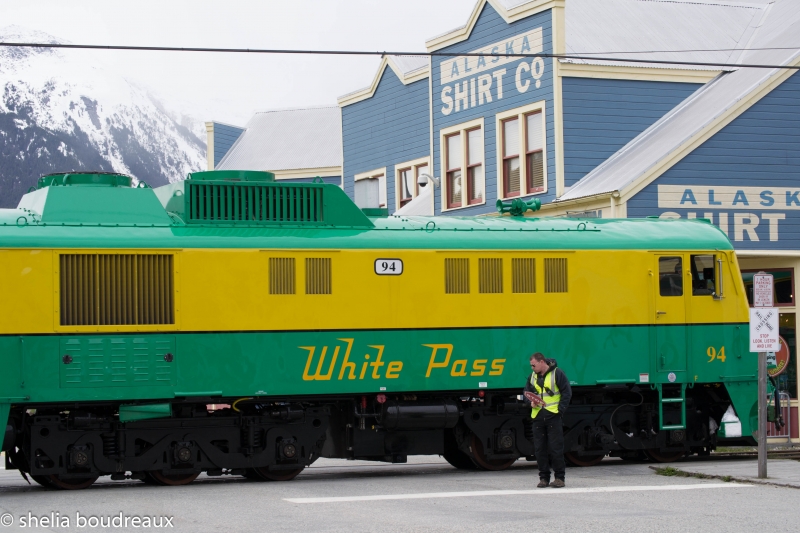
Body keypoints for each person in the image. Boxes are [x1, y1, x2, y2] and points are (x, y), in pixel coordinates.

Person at [524, 352, 572, 488]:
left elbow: (566, 393)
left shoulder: (557, 373)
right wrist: (530, 403)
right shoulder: (532, 376)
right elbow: (526, 392)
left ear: (541, 362)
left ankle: (559, 478)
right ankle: (544, 478)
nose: (532, 368)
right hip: (538, 417)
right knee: (539, 449)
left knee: (556, 448)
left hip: (553, 416)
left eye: (533, 365)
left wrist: (560, 411)